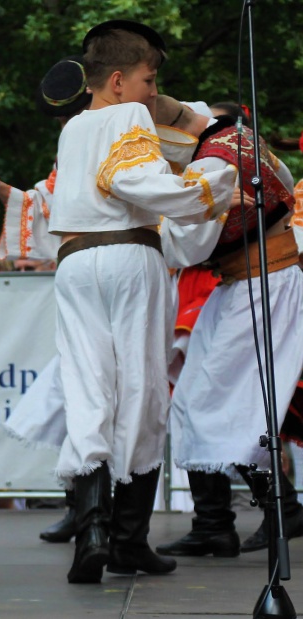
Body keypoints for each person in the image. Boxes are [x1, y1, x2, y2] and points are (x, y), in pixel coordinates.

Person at [50, 21, 236, 584]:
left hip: (74, 261)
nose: (153, 93)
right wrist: (212, 185)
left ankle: (92, 530)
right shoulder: (129, 114)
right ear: (117, 80)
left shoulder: (72, 128)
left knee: (87, 387)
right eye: (149, 80)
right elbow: (133, 179)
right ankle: (128, 539)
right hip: (128, 257)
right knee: (141, 389)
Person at [148, 96, 303, 558]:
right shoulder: (241, 139)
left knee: (222, 402)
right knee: (199, 399)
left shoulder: (212, 164)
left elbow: (185, 249)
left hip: (263, 284)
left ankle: (268, 512)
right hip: (249, 282)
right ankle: (218, 523)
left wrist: (148, 218)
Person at [0, 53, 93, 542]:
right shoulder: (70, 150)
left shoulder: (129, 136)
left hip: (117, 275)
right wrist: (2, 190)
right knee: (74, 390)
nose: (64, 124)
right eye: (60, 118)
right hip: (83, 282)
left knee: (99, 394)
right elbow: (46, 205)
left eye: (70, 113)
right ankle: (85, 510)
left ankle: (108, 519)